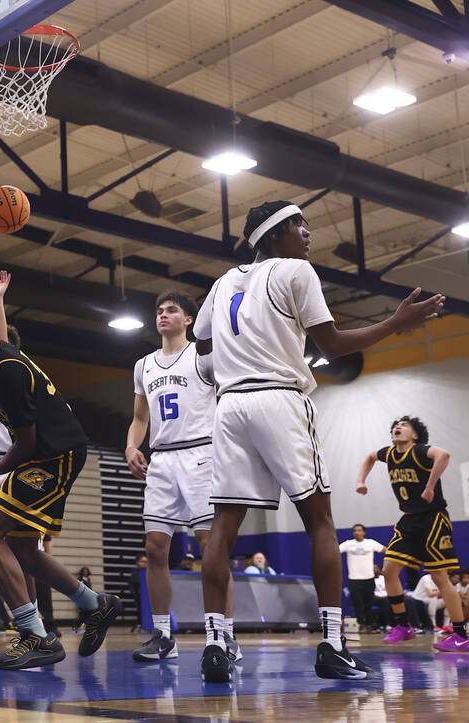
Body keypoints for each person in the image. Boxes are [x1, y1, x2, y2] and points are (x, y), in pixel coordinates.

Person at [193, 200, 442, 682]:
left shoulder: (223, 282)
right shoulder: (296, 271)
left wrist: (224, 365)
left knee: (222, 529)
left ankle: (215, 644)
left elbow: (202, 344)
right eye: (297, 225)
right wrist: (395, 323)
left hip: (230, 406)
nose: (307, 232)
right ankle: (331, 644)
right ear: (274, 234)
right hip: (279, 399)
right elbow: (331, 345)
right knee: (320, 520)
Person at [0, 290, 121, 670]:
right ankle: (95, 605)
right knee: (23, 549)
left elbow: (26, 442)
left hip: (55, 455)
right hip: (45, 452)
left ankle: (36, 635)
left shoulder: (6, 366)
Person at [126, 290, 238, 663]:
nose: (163, 315)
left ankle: (226, 634)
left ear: (189, 319)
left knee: (211, 547)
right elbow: (141, 418)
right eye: (159, 310)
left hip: (202, 454)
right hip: (162, 460)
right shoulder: (144, 365)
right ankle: (162, 635)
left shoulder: (203, 355)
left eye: (171, 310)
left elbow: (229, 397)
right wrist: (131, 446)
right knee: (155, 548)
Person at [356, 416, 465, 650]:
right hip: (408, 520)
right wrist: (360, 481)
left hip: (433, 518)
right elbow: (370, 456)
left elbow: (444, 454)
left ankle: (460, 634)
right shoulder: (390, 453)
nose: (398, 427)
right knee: (389, 570)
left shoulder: (419, 450)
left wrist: (430, 486)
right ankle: (403, 626)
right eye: (396, 425)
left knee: (439, 578)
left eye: (405, 425)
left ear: (415, 435)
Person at [339, 524, 384, 631]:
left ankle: (369, 625)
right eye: (355, 530)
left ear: (364, 532)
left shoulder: (371, 543)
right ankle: (360, 625)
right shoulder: (348, 544)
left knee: (369, 604)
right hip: (354, 580)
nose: (357, 532)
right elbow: (335, 551)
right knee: (357, 605)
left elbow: (385, 550)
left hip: (369, 579)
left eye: (359, 530)